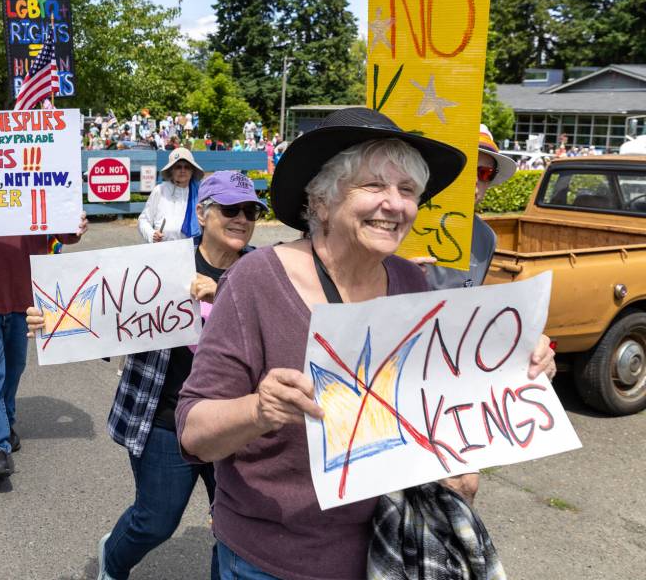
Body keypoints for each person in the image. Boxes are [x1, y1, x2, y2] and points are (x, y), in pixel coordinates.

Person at [175, 108, 557, 579]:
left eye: (407, 191)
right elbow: (193, 432)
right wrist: (260, 409)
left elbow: (431, 401)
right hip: (273, 559)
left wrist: (518, 362)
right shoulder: (254, 281)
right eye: (374, 186)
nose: (395, 204)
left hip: (390, 548)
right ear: (321, 201)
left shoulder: (408, 282)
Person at [29, 172, 266, 580]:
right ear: (202, 214)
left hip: (234, 423)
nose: (242, 218)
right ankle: (113, 561)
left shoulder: (263, 273)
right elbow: (109, 309)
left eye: (250, 211)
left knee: (234, 529)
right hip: (164, 419)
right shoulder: (163, 261)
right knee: (155, 520)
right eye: (230, 209)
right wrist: (51, 318)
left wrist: (223, 295)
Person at [0, 214, 89, 481]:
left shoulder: (34, 176)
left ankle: (4, 421)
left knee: (14, 365)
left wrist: (75, 224)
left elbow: (66, 233)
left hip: (23, 292)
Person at [417, 124, 518, 289]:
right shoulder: (402, 223)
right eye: (465, 169)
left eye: (484, 172)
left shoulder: (486, 238)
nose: (474, 180)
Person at [137, 148, 204, 243]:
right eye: (178, 167)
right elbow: (143, 220)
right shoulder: (160, 190)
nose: (182, 170)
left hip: (192, 249)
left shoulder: (200, 192)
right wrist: (152, 234)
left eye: (187, 167)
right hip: (163, 248)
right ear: (171, 170)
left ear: (192, 171)